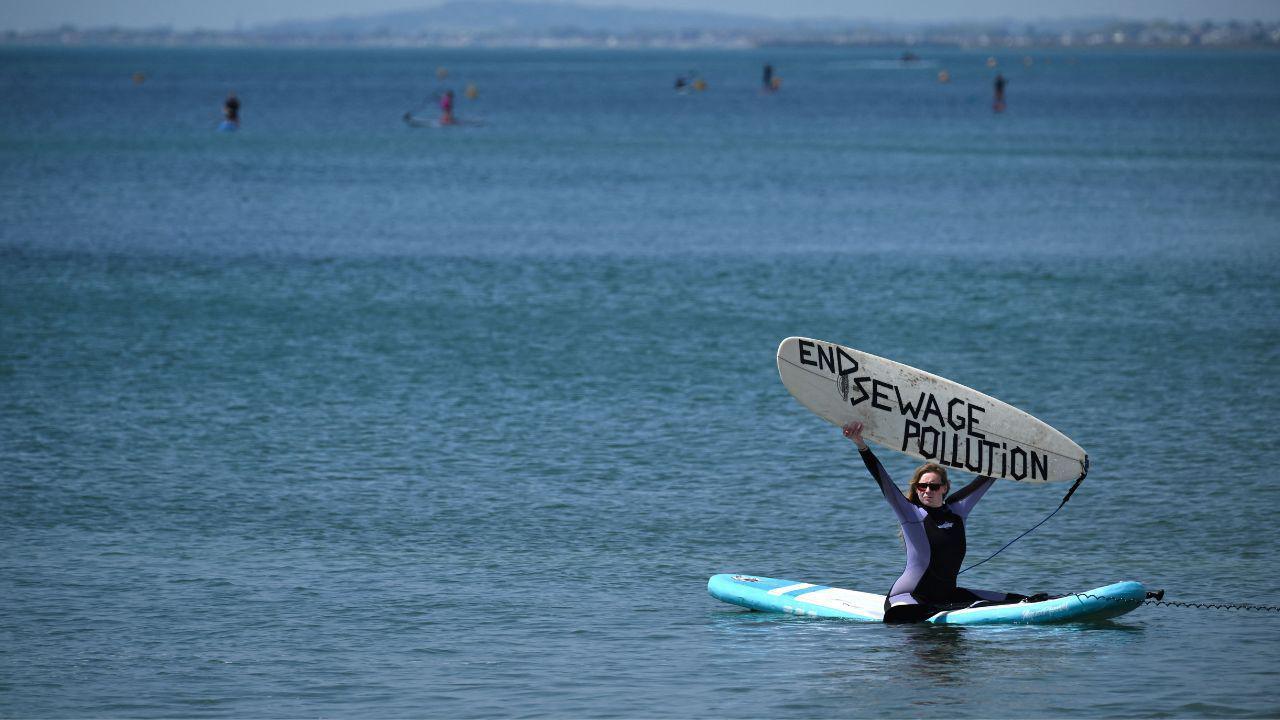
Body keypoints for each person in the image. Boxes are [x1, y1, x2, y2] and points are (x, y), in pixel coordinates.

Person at [842, 420, 1033, 623]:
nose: (927, 491)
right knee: (903, 617)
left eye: (933, 486)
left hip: (947, 596)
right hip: (908, 597)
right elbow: (882, 479)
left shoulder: (957, 510)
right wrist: (860, 445)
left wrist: (1012, 447)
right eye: (922, 486)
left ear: (945, 488)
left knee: (1023, 600)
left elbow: (989, 476)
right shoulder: (910, 513)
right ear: (916, 488)